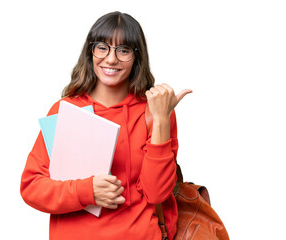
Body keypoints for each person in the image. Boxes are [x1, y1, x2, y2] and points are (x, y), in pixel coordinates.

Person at [20, 11, 192, 240]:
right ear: (90, 51)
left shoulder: (154, 112)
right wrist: (87, 191)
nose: (111, 59)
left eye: (123, 50)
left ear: (137, 57)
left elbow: (157, 194)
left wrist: (161, 119)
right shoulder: (66, 110)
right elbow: (32, 187)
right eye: (102, 47)